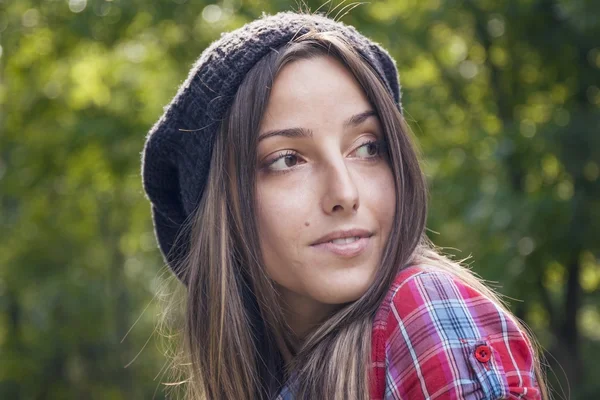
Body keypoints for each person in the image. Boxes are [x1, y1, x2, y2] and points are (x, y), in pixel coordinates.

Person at [141, 11, 548, 400]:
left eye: (368, 148)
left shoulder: (424, 309)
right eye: (287, 159)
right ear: (219, 211)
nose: (345, 193)